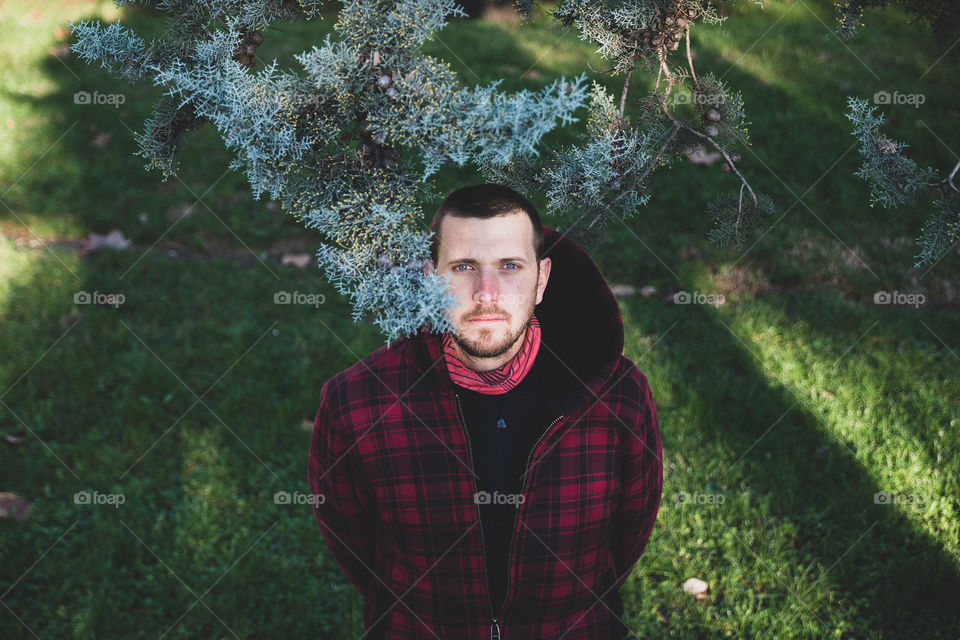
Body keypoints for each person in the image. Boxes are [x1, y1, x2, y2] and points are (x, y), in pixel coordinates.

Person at [309, 183, 663, 639]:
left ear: (542, 279)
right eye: (463, 267)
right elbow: (354, 543)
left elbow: (629, 532)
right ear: (431, 277)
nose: (487, 293)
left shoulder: (618, 396)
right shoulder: (356, 403)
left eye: (510, 266)